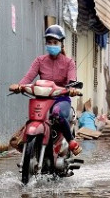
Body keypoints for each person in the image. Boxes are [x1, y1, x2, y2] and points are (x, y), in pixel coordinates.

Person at [9, 24, 82, 155]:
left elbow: (71, 80)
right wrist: (19, 86)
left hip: (61, 99)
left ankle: (71, 142)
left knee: (57, 114)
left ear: (61, 44)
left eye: (55, 42)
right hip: (42, 99)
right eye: (49, 42)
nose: (52, 45)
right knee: (34, 118)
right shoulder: (40, 61)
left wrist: (71, 89)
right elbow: (28, 77)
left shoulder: (69, 62)